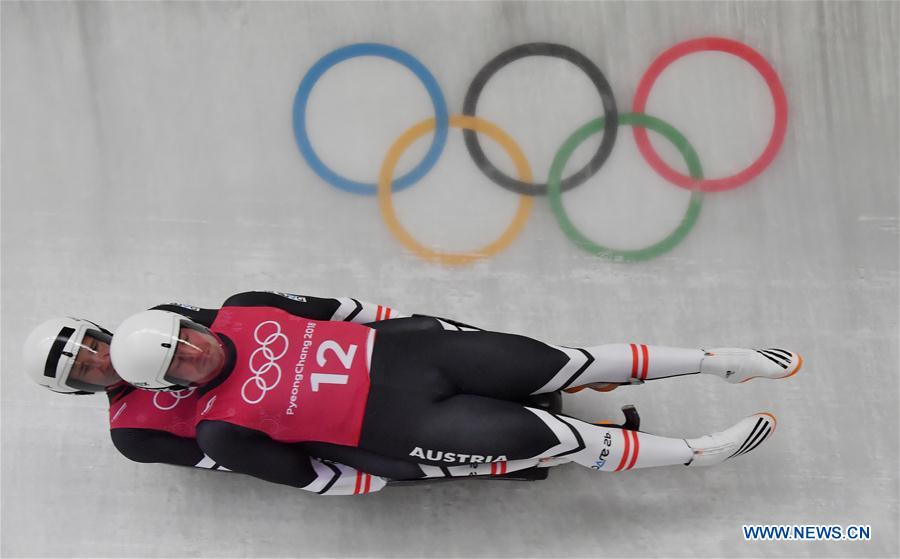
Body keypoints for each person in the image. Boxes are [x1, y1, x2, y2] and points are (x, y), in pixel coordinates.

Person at [110, 291, 803, 496]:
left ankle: (724, 362)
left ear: (190, 321)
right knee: (559, 438)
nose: (195, 352)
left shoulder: (246, 306)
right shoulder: (218, 428)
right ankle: (693, 454)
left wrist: (431, 326)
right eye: (181, 364)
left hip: (417, 355)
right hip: (400, 424)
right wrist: (387, 476)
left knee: (571, 360)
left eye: (186, 337)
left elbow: (347, 310)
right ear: (173, 386)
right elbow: (306, 475)